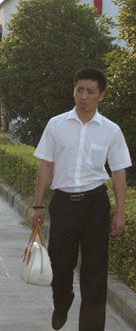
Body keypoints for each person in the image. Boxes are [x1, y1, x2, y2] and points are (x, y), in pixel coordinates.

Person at [31, 67, 131, 331]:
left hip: (95, 205)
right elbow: (46, 165)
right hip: (63, 205)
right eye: (79, 90)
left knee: (95, 272)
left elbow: (119, 172)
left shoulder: (110, 130)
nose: (84, 96)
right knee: (60, 265)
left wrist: (120, 213)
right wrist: (38, 205)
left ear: (101, 95)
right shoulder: (56, 125)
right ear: (74, 91)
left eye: (90, 91)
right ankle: (62, 301)